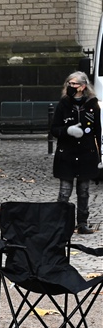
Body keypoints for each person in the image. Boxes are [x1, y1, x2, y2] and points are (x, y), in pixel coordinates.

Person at [49, 71, 101, 234]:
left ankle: (82, 222)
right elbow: (54, 129)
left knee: (84, 191)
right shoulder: (63, 104)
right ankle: (60, 222)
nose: (70, 87)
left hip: (86, 153)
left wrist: (98, 156)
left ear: (83, 86)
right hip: (67, 154)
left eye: (74, 84)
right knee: (64, 191)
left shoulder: (92, 104)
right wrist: (67, 131)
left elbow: (97, 131)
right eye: (68, 84)